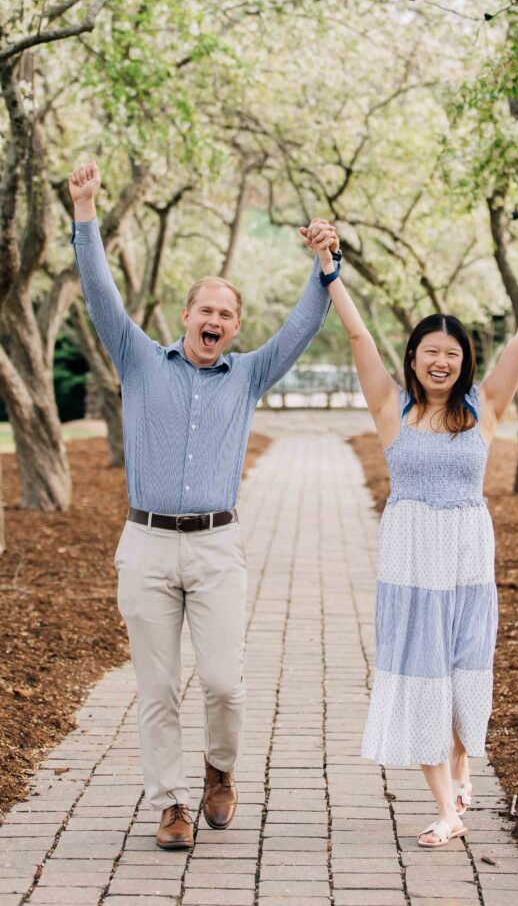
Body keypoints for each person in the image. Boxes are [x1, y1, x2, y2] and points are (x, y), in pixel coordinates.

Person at [69, 162, 340, 850]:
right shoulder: (136, 357)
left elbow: (302, 327)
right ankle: (170, 805)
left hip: (217, 545)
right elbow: (99, 292)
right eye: (205, 310)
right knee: (157, 690)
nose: (214, 320)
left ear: (234, 325)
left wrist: (323, 263)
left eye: (226, 313)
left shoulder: (247, 374)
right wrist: (85, 210)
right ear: (184, 317)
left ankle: (221, 770)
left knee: (223, 682)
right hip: (147, 545)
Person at [302, 222, 518, 848]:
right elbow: (357, 332)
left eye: (453, 353)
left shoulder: (484, 408)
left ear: (463, 362)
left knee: (465, 672)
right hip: (411, 563)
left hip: (466, 559)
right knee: (420, 672)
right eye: (430, 351)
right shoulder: (391, 407)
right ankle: (447, 809)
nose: (441, 361)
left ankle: (462, 764)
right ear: (413, 358)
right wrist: (330, 267)